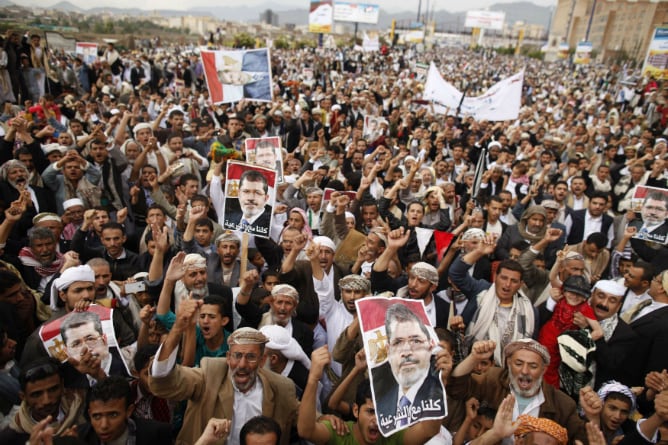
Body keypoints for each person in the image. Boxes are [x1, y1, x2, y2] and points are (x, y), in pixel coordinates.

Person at [149, 324, 298, 445]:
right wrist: (177, 328)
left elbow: (310, 421)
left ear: (262, 360)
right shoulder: (209, 374)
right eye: (237, 355)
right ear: (228, 357)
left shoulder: (281, 387)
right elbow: (166, 382)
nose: (242, 364)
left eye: (251, 357)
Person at [448, 339, 602, 443]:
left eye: (533, 366)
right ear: (508, 363)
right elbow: (455, 388)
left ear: (544, 369)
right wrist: (473, 358)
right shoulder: (493, 380)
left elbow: (584, 440)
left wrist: (593, 417)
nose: (525, 371)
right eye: (519, 363)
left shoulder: (562, 404)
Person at [298, 346, 445, 445]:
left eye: (383, 412)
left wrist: (438, 379)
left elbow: (429, 430)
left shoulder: (391, 436)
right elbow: (306, 431)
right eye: (370, 411)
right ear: (355, 411)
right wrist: (313, 379)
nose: (377, 419)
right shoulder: (340, 433)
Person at [372, 303, 446, 436]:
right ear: (388, 351)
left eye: (416, 341)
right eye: (398, 342)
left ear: (430, 346)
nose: (406, 351)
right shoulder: (381, 405)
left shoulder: (437, 390)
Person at [0, 358, 86, 445]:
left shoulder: (84, 410)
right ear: (23, 397)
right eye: (36, 394)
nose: (47, 401)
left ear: (62, 386)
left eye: (53, 390)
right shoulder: (11, 437)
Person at [537, 275, 602, 389]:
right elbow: (552, 277)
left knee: (550, 371)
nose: (575, 297)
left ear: (585, 297)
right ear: (565, 291)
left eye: (579, 294)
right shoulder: (561, 297)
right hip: (545, 336)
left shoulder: (585, 308)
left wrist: (578, 342)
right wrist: (559, 260)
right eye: (572, 292)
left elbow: (598, 332)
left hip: (561, 344)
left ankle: (548, 396)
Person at [77, 375, 172, 444]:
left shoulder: (156, 435)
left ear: (129, 411)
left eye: (113, 415)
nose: (104, 425)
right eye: (97, 416)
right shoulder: (81, 438)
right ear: (89, 414)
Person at [60, 310, 130, 383]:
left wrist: (99, 376)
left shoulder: (128, 364)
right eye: (76, 344)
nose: (86, 349)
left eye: (90, 339)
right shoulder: (69, 382)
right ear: (67, 352)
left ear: (104, 340)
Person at [224, 169, 272, 237]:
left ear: (266, 198)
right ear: (239, 194)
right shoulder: (229, 218)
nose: (251, 198)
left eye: (257, 193)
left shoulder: (270, 224)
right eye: (246, 191)